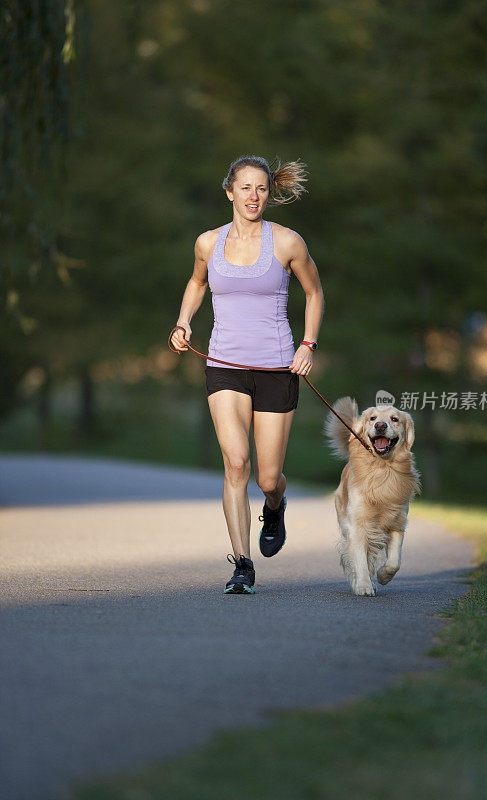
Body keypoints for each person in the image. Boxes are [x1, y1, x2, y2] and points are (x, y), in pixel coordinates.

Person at [170, 155, 324, 594]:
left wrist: (307, 344)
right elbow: (198, 282)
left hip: (277, 367)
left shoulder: (288, 242)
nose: (253, 197)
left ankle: (275, 506)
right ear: (229, 192)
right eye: (245, 188)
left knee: (267, 478)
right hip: (224, 366)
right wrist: (184, 322)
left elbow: (314, 293)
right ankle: (242, 564)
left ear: (268, 194)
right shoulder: (207, 243)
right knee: (236, 463)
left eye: (261, 189)